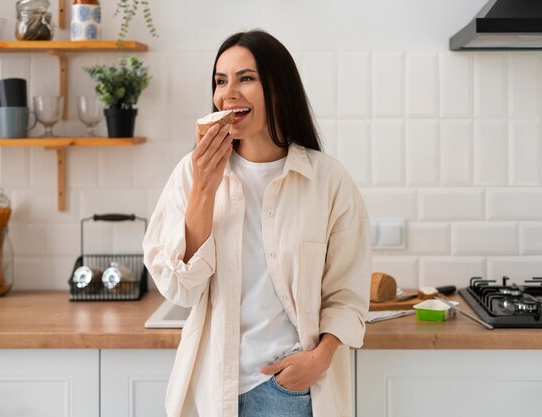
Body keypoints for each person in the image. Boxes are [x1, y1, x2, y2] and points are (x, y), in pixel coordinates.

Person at [143, 29, 371, 417]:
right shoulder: (190, 173)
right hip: (213, 388)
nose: (227, 93)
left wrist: (319, 358)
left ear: (278, 89)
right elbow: (179, 290)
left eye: (245, 79)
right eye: (220, 81)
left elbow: (346, 296)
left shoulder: (327, 180)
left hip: (292, 389)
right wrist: (203, 189)